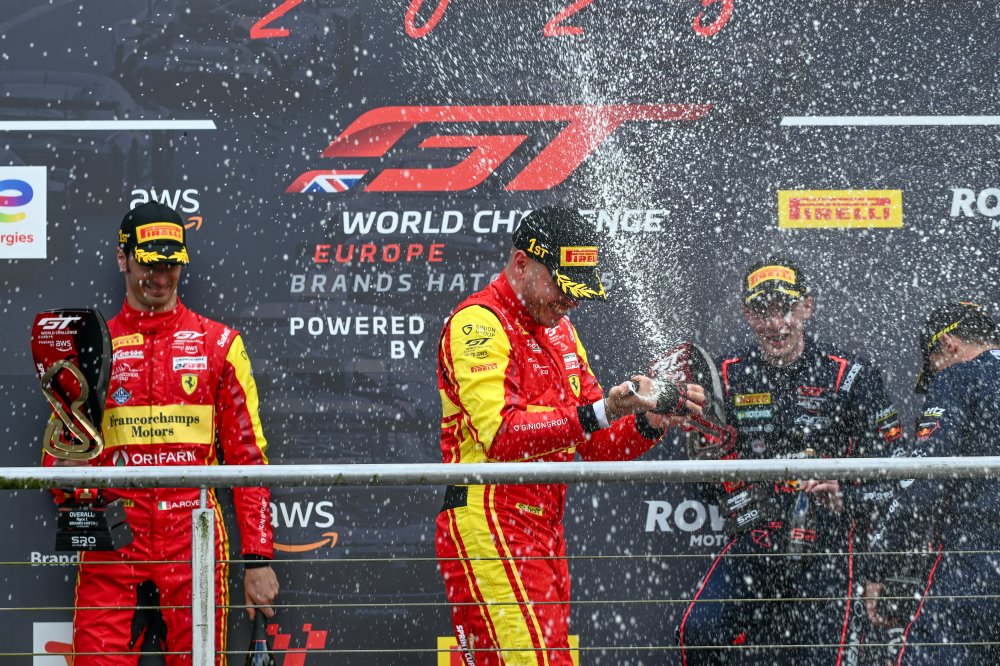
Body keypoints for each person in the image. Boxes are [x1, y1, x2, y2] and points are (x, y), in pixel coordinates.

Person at [434, 206, 705, 666]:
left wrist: (648, 422)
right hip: (489, 516)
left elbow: (596, 445)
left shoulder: (562, 333)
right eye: (563, 285)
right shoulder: (477, 324)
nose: (570, 302)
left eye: (578, 290)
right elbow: (501, 434)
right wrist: (603, 411)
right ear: (521, 264)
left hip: (543, 524)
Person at [42, 201, 280, 665]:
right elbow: (58, 463)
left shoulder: (220, 345)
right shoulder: (89, 349)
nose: (160, 276)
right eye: (149, 264)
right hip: (113, 538)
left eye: (170, 264)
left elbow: (247, 460)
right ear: (122, 258)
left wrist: (257, 557)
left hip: (193, 536)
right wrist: (71, 481)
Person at [677, 257, 903, 665]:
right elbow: (703, 486)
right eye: (762, 311)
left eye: (785, 308)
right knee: (698, 631)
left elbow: (897, 476)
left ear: (806, 308)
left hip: (830, 551)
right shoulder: (727, 375)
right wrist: (715, 466)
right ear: (747, 314)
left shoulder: (850, 376)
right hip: (757, 544)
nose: (775, 323)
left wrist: (845, 494)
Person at [864, 301, 1000, 665]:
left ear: (949, 345)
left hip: (978, 559)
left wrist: (881, 566)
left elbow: (925, 482)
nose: (936, 375)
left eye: (934, 365)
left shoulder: (959, 377)